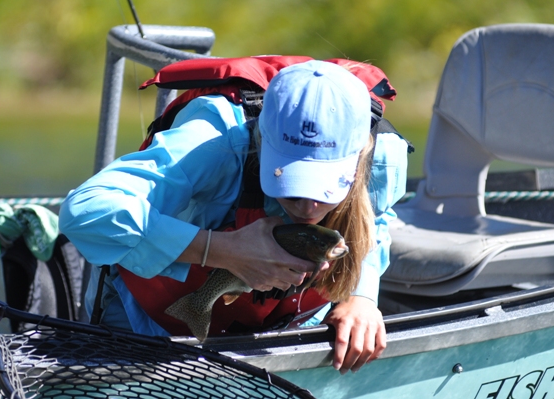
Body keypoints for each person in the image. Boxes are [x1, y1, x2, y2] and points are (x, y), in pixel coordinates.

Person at [59, 60, 408, 374]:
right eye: (287, 181)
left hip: (283, 330)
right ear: (263, 142)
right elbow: (86, 211)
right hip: (148, 321)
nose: (305, 208)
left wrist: (362, 298)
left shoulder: (383, 157)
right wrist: (220, 250)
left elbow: (374, 221)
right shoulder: (215, 139)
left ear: (360, 155)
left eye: (325, 188)